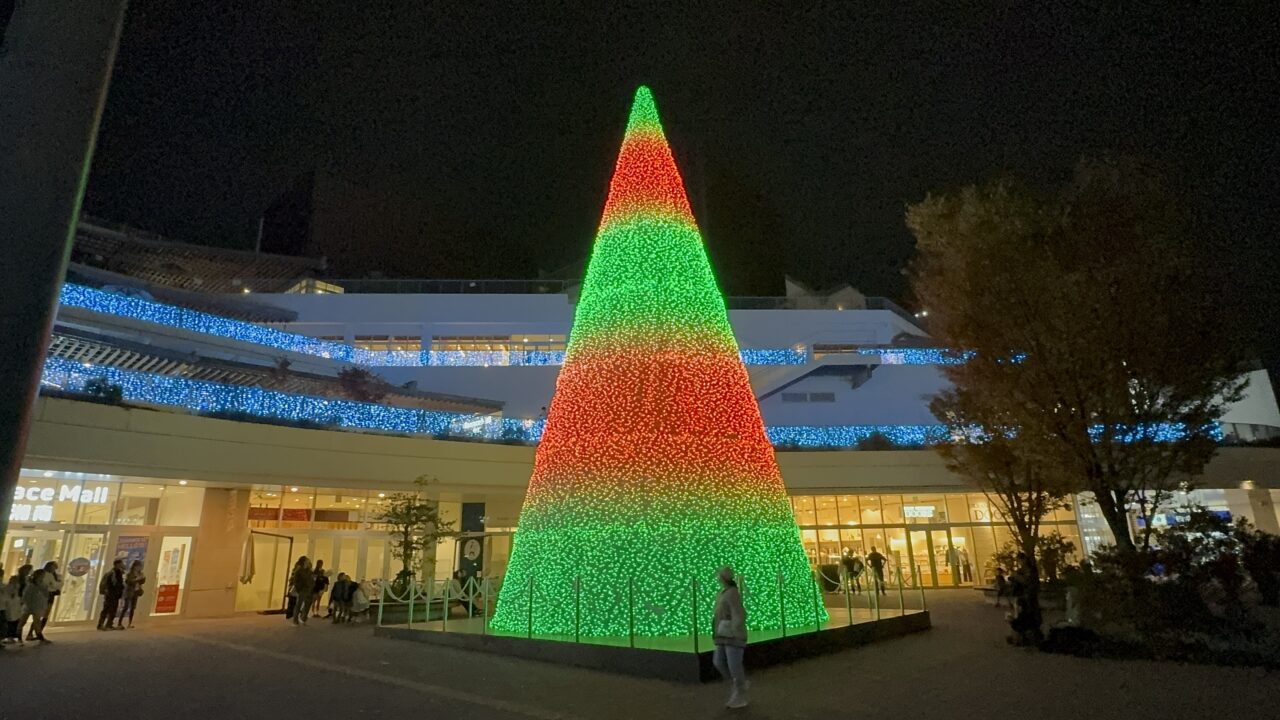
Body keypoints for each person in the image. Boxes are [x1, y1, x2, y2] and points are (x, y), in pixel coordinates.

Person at [711, 566, 749, 710]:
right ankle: (738, 684)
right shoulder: (723, 592)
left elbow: (739, 613)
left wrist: (735, 628)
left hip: (732, 635)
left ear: (723, 577)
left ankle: (739, 692)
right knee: (718, 661)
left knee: (734, 665)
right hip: (722, 634)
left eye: (719, 576)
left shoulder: (732, 593)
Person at [30, 561, 61, 641]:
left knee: (44, 614)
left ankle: (38, 632)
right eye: (54, 567)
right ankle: (35, 632)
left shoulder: (52, 575)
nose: (54, 569)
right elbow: (54, 585)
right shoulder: (46, 574)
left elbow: (54, 585)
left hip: (49, 594)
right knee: (40, 614)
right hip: (45, 594)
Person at [21, 568, 51, 643]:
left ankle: (39, 636)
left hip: (38, 605)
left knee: (36, 621)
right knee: (23, 621)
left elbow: (46, 594)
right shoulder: (32, 584)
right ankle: (18, 635)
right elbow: (27, 595)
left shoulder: (42, 584)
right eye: (42, 575)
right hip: (31, 605)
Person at [98, 559, 126, 630]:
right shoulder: (112, 573)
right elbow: (113, 584)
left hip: (115, 594)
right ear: (117, 564)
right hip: (111, 594)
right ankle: (101, 624)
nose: (123, 565)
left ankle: (109, 624)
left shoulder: (119, 572)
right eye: (121, 563)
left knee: (113, 609)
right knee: (107, 609)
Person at [289, 556, 315, 626]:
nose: (308, 561)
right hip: (302, 590)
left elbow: (311, 579)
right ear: (304, 561)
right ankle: (295, 620)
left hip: (309, 590)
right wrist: (299, 589)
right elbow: (295, 581)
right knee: (298, 605)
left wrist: (312, 585)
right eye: (307, 560)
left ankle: (303, 618)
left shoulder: (309, 571)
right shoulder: (299, 570)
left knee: (308, 604)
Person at [120, 560, 146, 629]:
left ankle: (129, 623)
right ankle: (120, 622)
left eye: (140, 566)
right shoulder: (130, 574)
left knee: (133, 608)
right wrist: (136, 579)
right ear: (134, 566)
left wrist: (142, 578)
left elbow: (142, 582)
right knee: (126, 607)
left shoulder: (140, 574)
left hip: (136, 592)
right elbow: (128, 582)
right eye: (138, 566)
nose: (139, 568)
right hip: (129, 592)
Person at [1, 574, 22, 645]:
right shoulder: (11, 586)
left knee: (11, 622)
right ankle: (10, 637)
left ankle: (10, 637)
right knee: (11, 621)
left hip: (11, 606)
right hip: (11, 606)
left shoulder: (12, 586)